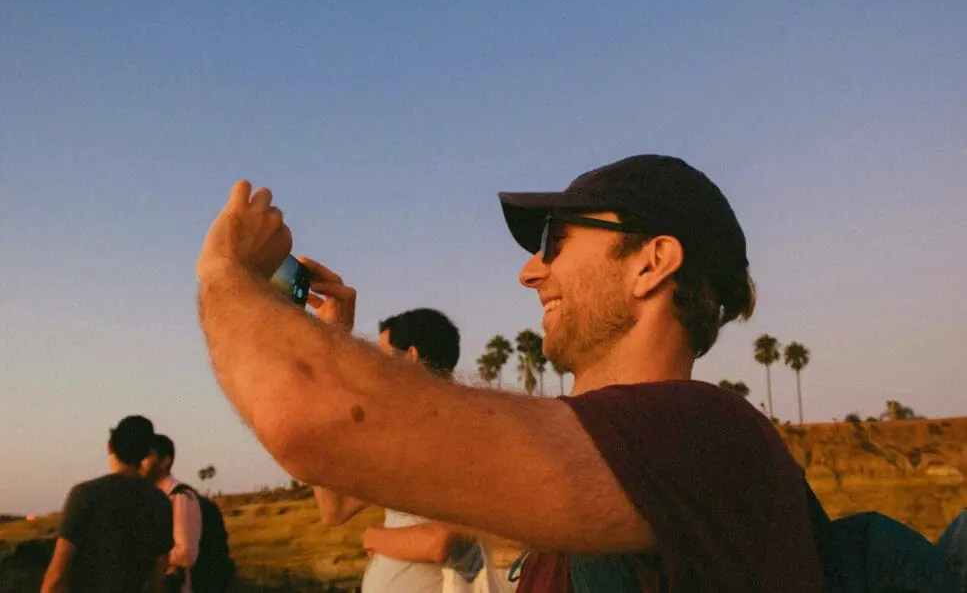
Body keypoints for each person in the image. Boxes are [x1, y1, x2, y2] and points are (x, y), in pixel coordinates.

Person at [195, 154, 827, 591]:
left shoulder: (702, 436)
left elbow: (305, 415)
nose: (530, 271)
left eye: (554, 241)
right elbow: (331, 467)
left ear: (652, 263)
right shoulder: (624, 452)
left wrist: (226, 268)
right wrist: (331, 335)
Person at [309, 304, 483, 593]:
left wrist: (373, 537)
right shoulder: (406, 437)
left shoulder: (459, 431)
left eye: (383, 355)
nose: (376, 366)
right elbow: (334, 509)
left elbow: (438, 541)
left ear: (411, 357)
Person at [41, 415, 173, 593]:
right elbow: (157, 580)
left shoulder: (85, 494)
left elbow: (57, 576)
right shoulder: (161, 502)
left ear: (109, 447)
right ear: (147, 453)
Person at [142, 434, 203, 593]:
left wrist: (144, 557)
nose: (140, 462)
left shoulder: (180, 496)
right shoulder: (150, 496)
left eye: (147, 455)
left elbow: (186, 554)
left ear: (164, 461)